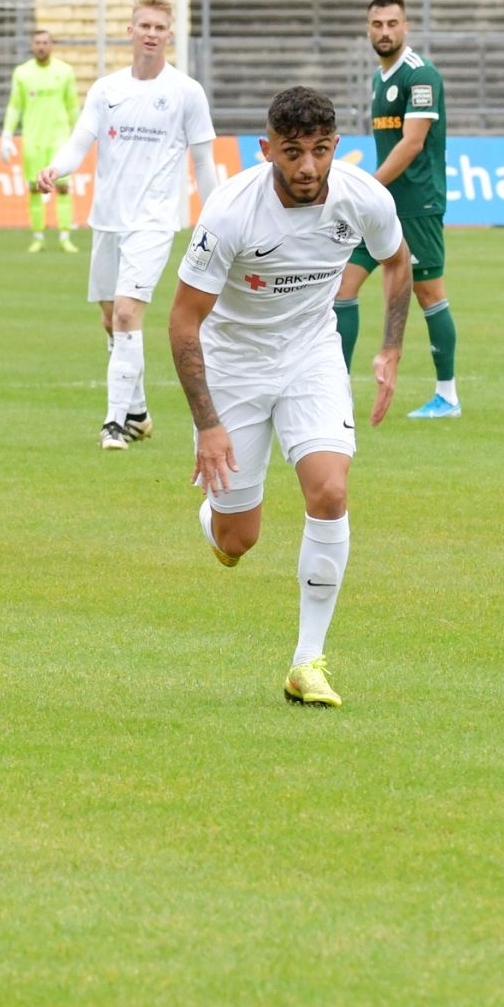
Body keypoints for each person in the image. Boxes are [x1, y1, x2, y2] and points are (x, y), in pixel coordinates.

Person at [169, 86, 413, 708]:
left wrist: (389, 348)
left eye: (321, 150)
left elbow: (397, 262)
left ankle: (308, 662)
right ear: (267, 149)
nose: (308, 167)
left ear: (337, 146)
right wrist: (209, 425)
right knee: (236, 541)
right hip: (235, 367)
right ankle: (215, 518)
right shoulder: (229, 211)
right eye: (294, 151)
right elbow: (182, 322)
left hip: (311, 355)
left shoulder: (364, 197)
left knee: (331, 491)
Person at [41, 0, 218, 450]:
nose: (152, 34)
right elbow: (80, 142)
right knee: (110, 321)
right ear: (130, 30)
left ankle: (114, 422)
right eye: (145, 25)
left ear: (170, 34)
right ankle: (138, 412)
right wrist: (55, 169)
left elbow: (203, 161)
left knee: (125, 314)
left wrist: (216, 216)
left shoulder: (186, 92)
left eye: (160, 27)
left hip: (155, 221)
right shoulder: (106, 89)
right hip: (108, 221)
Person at [333, 0, 460, 419]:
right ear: (368, 29)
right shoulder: (378, 78)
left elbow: (412, 143)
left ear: (406, 27)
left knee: (428, 295)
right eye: (377, 24)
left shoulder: (420, 76)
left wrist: (365, 185)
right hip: (382, 207)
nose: (384, 31)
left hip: (416, 205)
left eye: (392, 23)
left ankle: (448, 395)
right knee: (342, 287)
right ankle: (336, 390)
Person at [1, 28, 80, 253]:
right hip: (33, 139)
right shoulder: (22, 73)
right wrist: (6, 135)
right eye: (38, 42)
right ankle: (38, 236)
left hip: (59, 138)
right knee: (35, 188)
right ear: (32, 45)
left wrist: (80, 134)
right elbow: (15, 107)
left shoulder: (65, 71)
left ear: (51, 45)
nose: (42, 46)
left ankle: (65, 237)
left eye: (45, 42)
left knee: (63, 187)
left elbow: (72, 105)